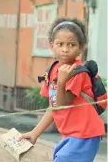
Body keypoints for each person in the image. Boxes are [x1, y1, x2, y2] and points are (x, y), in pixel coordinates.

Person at [18, 18, 105, 162]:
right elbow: (53, 107)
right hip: (71, 135)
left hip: (85, 134)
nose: (65, 49)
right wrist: (35, 133)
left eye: (72, 45)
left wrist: (62, 82)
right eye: (60, 44)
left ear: (80, 47)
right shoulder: (52, 70)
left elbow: (63, 103)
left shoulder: (78, 72)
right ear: (52, 46)